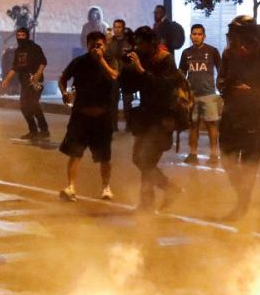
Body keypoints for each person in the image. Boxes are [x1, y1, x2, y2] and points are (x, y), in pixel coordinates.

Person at [218, 16, 260, 220]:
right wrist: (228, 87)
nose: (231, 39)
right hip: (231, 114)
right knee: (227, 160)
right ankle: (242, 197)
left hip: (254, 116)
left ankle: (243, 204)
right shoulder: (228, 54)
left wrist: (252, 91)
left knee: (249, 164)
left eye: (235, 35)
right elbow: (221, 80)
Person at [119, 26, 186, 212]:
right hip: (146, 116)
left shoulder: (164, 59)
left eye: (141, 43)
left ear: (151, 42)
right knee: (138, 158)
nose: (138, 47)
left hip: (163, 117)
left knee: (146, 160)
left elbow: (165, 86)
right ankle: (157, 196)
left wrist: (141, 70)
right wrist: (127, 68)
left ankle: (155, 198)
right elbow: (127, 87)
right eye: (136, 44)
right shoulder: (143, 58)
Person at [57, 30, 119, 202]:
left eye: (99, 45)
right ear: (87, 45)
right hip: (81, 116)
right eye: (92, 45)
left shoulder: (110, 61)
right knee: (75, 153)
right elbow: (63, 78)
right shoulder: (79, 62)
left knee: (104, 157)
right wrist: (64, 92)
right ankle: (70, 187)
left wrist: (101, 61)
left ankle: (106, 187)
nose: (95, 49)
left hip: (102, 117)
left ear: (105, 46)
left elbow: (114, 77)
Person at [180, 24, 222, 164]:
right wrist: (182, 92)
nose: (196, 36)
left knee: (211, 125)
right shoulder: (186, 53)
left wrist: (220, 85)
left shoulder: (212, 51)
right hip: (192, 95)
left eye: (199, 34)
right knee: (193, 125)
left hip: (209, 94)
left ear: (204, 36)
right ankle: (193, 154)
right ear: (190, 36)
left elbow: (221, 70)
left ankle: (214, 156)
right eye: (194, 34)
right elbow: (181, 73)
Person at [1, 26, 49, 139]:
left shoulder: (35, 48)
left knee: (34, 104)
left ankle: (44, 130)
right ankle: (33, 131)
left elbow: (43, 62)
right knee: (24, 107)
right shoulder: (18, 51)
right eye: (18, 36)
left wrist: (37, 75)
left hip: (36, 82)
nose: (20, 38)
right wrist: (7, 80)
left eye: (23, 35)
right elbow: (15, 68)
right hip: (24, 83)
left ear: (27, 36)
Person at [106, 19, 134, 128]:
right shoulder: (110, 42)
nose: (117, 29)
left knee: (127, 101)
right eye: (115, 27)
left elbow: (132, 57)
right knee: (113, 101)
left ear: (123, 28)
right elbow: (107, 57)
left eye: (119, 27)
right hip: (114, 74)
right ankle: (113, 125)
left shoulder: (129, 42)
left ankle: (129, 125)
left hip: (127, 75)